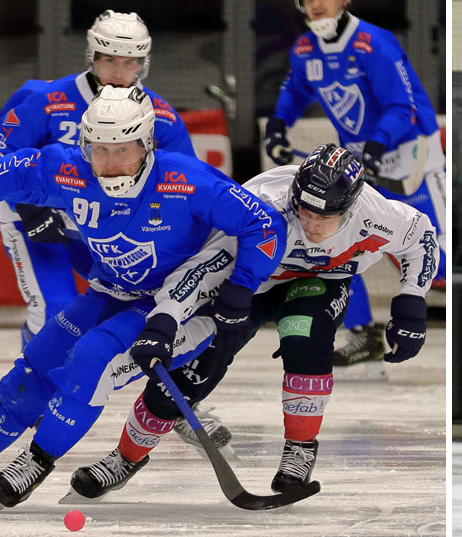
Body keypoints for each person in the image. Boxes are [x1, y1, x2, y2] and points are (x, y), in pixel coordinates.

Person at [0, 85, 285, 510]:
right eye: (100, 149)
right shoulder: (69, 168)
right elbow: (10, 172)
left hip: (168, 307)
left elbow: (264, 225)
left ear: (147, 143)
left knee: (91, 359)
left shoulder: (186, 179)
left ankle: (37, 460)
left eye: (124, 149)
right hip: (107, 290)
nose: (112, 163)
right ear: (85, 145)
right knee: (36, 365)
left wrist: (241, 289)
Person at [64, 144, 438, 501]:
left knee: (304, 337)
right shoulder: (261, 206)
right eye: (303, 212)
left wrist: (411, 303)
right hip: (247, 283)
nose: (310, 225)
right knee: (195, 364)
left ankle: (300, 448)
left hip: (320, 282)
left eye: (324, 218)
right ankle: (126, 458)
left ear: (352, 207)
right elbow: (203, 268)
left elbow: (421, 237)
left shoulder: (380, 215)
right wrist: (166, 319)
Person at [262, 0, 447, 371]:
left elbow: (403, 106)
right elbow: (295, 90)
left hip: (404, 151)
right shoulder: (305, 49)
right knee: (338, 241)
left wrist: (377, 148)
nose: (316, 5)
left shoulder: (373, 43)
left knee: (431, 244)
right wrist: (277, 126)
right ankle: (365, 333)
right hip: (358, 158)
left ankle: (433, 307)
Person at [0, 10, 196, 348]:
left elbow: (183, 188)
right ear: (92, 58)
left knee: (155, 312)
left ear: (143, 63)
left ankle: (168, 396)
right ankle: (33, 388)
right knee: (56, 311)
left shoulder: (162, 116)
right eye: (110, 59)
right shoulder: (44, 100)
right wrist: (28, 207)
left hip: (110, 230)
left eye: (129, 62)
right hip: (39, 225)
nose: (118, 72)